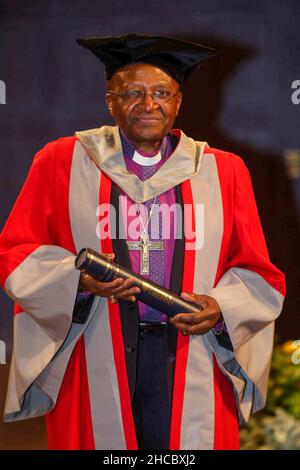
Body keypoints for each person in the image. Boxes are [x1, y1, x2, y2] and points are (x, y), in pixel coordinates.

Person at [0, 33, 285, 450]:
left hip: (191, 353)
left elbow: (258, 271)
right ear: (109, 101)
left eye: (161, 93)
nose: (148, 105)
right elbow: (17, 253)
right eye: (132, 92)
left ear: (178, 102)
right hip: (96, 345)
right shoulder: (62, 161)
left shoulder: (222, 172)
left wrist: (221, 306)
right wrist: (76, 280)